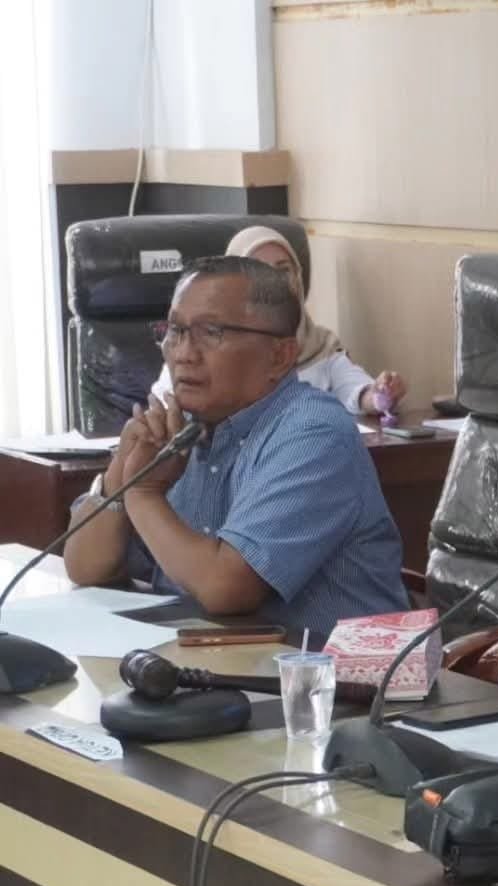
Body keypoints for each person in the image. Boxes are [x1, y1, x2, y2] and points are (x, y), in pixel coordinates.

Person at [64, 255, 408, 637]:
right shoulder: (175, 429)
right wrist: (120, 476)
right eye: (175, 330)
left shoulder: (314, 434)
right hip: (206, 661)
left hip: (326, 671)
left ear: (279, 356)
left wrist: (144, 494)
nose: (183, 353)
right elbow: (85, 568)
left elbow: (225, 589)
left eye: (211, 332)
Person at [151, 226, 407, 417]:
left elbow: (358, 391)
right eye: (260, 271)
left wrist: (380, 394)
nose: (275, 281)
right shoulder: (193, 350)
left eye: (283, 270)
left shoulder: (320, 346)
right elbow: (164, 409)